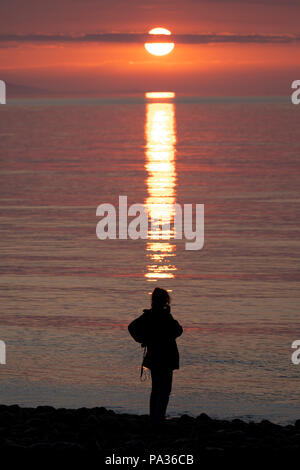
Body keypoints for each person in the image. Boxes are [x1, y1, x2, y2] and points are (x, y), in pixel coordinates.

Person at [128, 288, 183, 424]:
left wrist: (143, 339)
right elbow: (178, 330)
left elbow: (132, 327)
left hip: (154, 355)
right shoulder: (164, 315)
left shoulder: (149, 315)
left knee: (157, 388)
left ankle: (154, 417)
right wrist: (142, 339)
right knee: (164, 389)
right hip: (165, 357)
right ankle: (158, 418)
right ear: (165, 300)